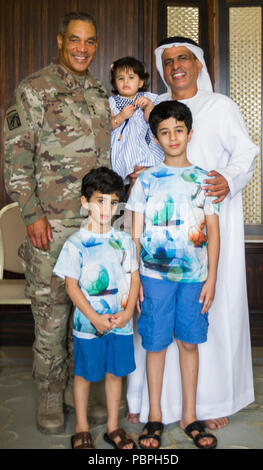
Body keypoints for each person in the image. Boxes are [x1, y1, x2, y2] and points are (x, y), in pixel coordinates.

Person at [126, 36, 259, 430]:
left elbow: (247, 153)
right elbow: (139, 158)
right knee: (153, 321)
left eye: (184, 58)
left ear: (199, 65)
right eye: (168, 62)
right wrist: (139, 174)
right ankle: (148, 403)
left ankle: (210, 401)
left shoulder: (221, 107)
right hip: (159, 239)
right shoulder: (153, 110)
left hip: (209, 229)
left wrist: (228, 180)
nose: (176, 66)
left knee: (204, 316)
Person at [4, 11, 111, 434]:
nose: (82, 48)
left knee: (88, 309)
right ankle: (51, 391)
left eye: (89, 42)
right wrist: (31, 214)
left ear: (96, 45)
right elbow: (16, 158)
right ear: (60, 41)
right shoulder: (34, 89)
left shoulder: (101, 92)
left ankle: (78, 389)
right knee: (51, 314)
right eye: (74, 41)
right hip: (50, 224)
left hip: (95, 226)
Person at [126, 101, 220, 449]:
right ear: (156, 138)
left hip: (194, 278)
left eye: (179, 130)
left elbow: (213, 230)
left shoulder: (204, 180)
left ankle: (190, 416)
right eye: (164, 132)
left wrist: (212, 278)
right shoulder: (146, 181)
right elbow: (134, 233)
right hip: (154, 277)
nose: (173, 137)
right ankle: (154, 416)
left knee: (189, 343)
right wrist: (135, 278)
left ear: (189, 133)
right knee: (155, 344)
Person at [53, 167, 140, 449]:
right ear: (85, 202)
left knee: (115, 374)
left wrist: (127, 314)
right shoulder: (75, 244)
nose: (107, 208)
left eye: (113, 202)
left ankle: (113, 427)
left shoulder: (124, 240)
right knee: (85, 374)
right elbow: (71, 286)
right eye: (100, 200)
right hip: (89, 326)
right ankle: (81, 428)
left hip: (120, 323)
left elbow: (134, 277)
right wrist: (93, 318)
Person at [109, 56, 163, 194]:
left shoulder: (149, 98)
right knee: (131, 179)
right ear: (115, 83)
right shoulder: (112, 102)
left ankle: (137, 203)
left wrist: (148, 106)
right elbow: (107, 126)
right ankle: (130, 206)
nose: (125, 81)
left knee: (144, 178)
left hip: (143, 145)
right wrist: (120, 116)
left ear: (140, 82)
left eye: (131, 78)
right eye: (121, 78)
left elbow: (152, 122)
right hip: (123, 146)